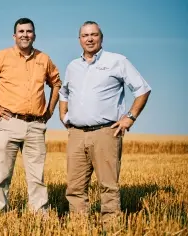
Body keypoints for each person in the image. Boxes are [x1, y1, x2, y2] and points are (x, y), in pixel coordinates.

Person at [59, 20, 152, 226]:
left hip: (106, 132)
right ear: (79, 39)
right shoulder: (72, 66)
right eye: (85, 35)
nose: (90, 39)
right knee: (74, 187)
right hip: (76, 133)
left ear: (101, 38)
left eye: (94, 35)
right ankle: (78, 226)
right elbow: (63, 92)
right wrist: (63, 115)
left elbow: (142, 89)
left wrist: (130, 117)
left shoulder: (117, 61)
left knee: (108, 185)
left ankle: (110, 228)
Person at [0, 17, 62, 214]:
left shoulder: (43, 59)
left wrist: (50, 110)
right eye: (21, 32)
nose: (25, 35)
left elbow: (56, 83)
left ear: (34, 36)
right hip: (9, 122)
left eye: (29, 32)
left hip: (36, 125)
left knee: (37, 177)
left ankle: (40, 217)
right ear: (14, 36)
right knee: (3, 174)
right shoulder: (1, 57)